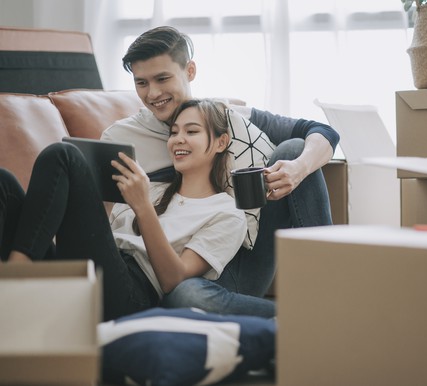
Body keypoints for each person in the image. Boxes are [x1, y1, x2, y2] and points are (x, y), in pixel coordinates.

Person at [101, 26, 340, 318]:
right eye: (141, 83)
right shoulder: (120, 140)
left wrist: (297, 169)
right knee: (184, 291)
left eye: (163, 78)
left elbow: (322, 131)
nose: (153, 93)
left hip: (241, 258)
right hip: (174, 271)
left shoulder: (230, 118)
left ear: (190, 71)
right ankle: (296, 319)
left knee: (293, 149)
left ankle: (330, 297)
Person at [0, 99, 247, 322]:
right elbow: (99, 237)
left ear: (221, 142)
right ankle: (20, 281)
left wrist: (142, 207)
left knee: (64, 155)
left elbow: (174, 280)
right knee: (4, 184)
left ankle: (14, 282)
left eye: (191, 131)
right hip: (91, 270)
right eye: (173, 133)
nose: (178, 139)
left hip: (132, 295)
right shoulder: (151, 188)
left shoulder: (228, 213)